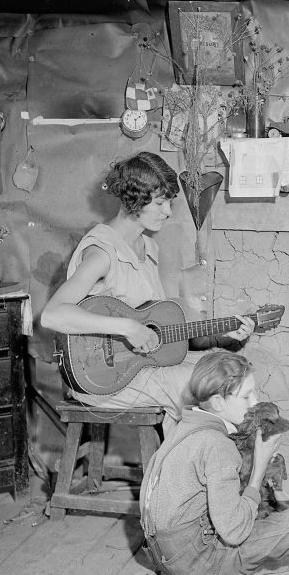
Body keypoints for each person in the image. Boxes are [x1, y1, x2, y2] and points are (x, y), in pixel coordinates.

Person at [40, 152, 254, 438]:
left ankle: (189, 468)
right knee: (209, 390)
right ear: (134, 200)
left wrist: (225, 336)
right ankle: (201, 471)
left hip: (142, 367)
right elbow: (53, 315)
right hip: (103, 377)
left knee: (230, 370)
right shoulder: (102, 253)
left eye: (169, 202)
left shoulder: (148, 248)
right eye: (160, 202)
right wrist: (126, 327)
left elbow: (158, 332)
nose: (168, 211)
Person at [139, 351, 289, 575]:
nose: (255, 403)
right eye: (247, 396)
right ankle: (255, 567)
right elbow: (235, 533)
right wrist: (260, 467)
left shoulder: (183, 427)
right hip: (200, 565)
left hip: (163, 556)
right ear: (218, 402)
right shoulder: (217, 444)